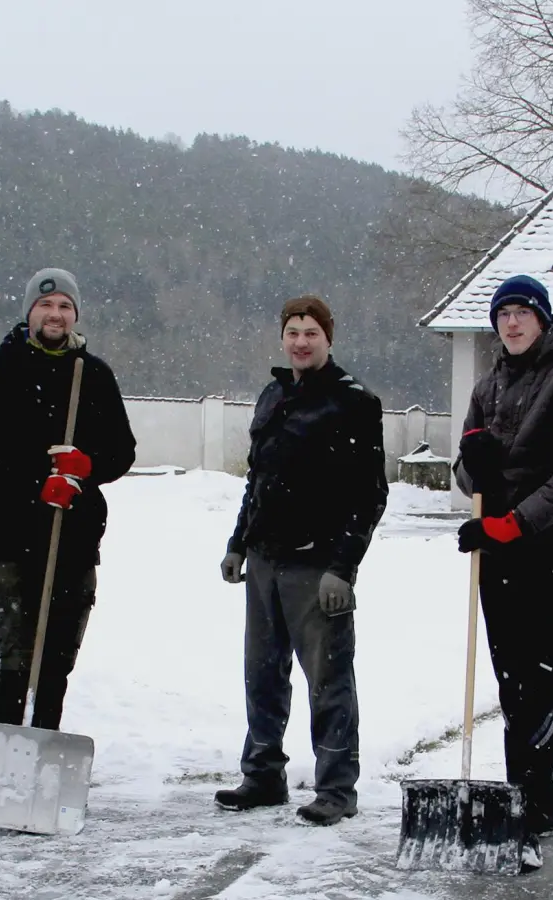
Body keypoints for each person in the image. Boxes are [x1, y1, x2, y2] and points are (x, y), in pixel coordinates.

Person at [450, 274, 553, 836]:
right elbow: (464, 471)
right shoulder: (490, 384)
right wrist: (476, 464)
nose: (512, 322)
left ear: (543, 317)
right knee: (509, 680)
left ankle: (536, 799)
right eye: (503, 314)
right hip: (498, 551)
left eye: (522, 312)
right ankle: (519, 793)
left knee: (538, 681)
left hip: (549, 550)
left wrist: (515, 523)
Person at [214, 295, 387, 827]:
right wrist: (238, 541)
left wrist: (344, 567)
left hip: (317, 567)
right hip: (265, 560)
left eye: (311, 332)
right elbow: (258, 480)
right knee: (262, 675)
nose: (301, 341)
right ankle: (264, 773)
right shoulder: (273, 395)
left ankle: (336, 788)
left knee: (328, 679)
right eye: (293, 331)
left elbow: (370, 495)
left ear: (328, 338)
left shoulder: (353, 402)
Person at [0, 267, 136, 732]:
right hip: (10, 534)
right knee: (15, 653)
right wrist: (36, 476)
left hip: (73, 537)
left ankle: (44, 739)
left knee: (57, 656)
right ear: (29, 311)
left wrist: (85, 467)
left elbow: (123, 449)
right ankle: (6, 740)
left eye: (64, 306)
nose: (55, 314)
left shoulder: (92, 375)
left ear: (75, 315)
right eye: (46, 305)